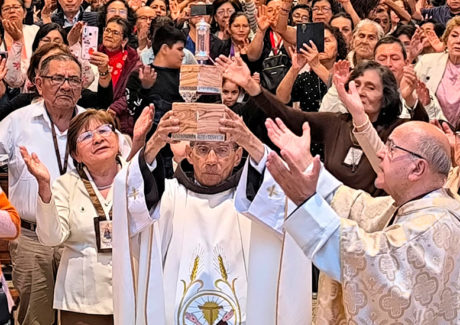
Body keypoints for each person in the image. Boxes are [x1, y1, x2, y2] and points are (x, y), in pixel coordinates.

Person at [248, 117, 460, 324]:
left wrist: (307, 203)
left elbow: (368, 262)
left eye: (392, 148)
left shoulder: (431, 227)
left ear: (417, 168)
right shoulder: (416, 205)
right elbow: (356, 207)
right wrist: (305, 161)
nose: (380, 153)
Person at [112, 107, 312, 325]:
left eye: (223, 150)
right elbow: (128, 194)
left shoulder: (253, 203)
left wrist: (250, 141)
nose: (212, 159)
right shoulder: (168, 196)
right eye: (203, 149)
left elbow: (289, 197)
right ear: (189, 154)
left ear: (238, 157)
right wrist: (154, 143)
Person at [0, 53, 131, 325]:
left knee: (84, 316)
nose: (67, 85)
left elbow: (128, 163)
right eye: (57, 78)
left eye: (74, 79)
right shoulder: (16, 122)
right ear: (38, 82)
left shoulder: (93, 124)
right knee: (35, 319)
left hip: (86, 240)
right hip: (33, 238)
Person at [216, 55, 425, 197]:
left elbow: (425, 139)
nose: (360, 91)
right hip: (332, 219)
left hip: (374, 226)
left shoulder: (397, 129)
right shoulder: (336, 122)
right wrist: (251, 86)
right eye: (356, 84)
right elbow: (289, 117)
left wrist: (411, 100)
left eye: (370, 87)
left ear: (385, 97)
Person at [20, 108, 152, 325]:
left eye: (104, 130)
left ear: (118, 140)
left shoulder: (136, 179)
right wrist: (44, 186)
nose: (98, 139)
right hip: (81, 301)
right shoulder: (66, 185)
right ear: (75, 154)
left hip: (134, 293)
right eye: (87, 136)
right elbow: (51, 238)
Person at [415, 16, 460, 129]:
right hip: (429, 127)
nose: (459, 41)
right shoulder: (427, 61)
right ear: (446, 39)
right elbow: (411, 94)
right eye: (454, 36)